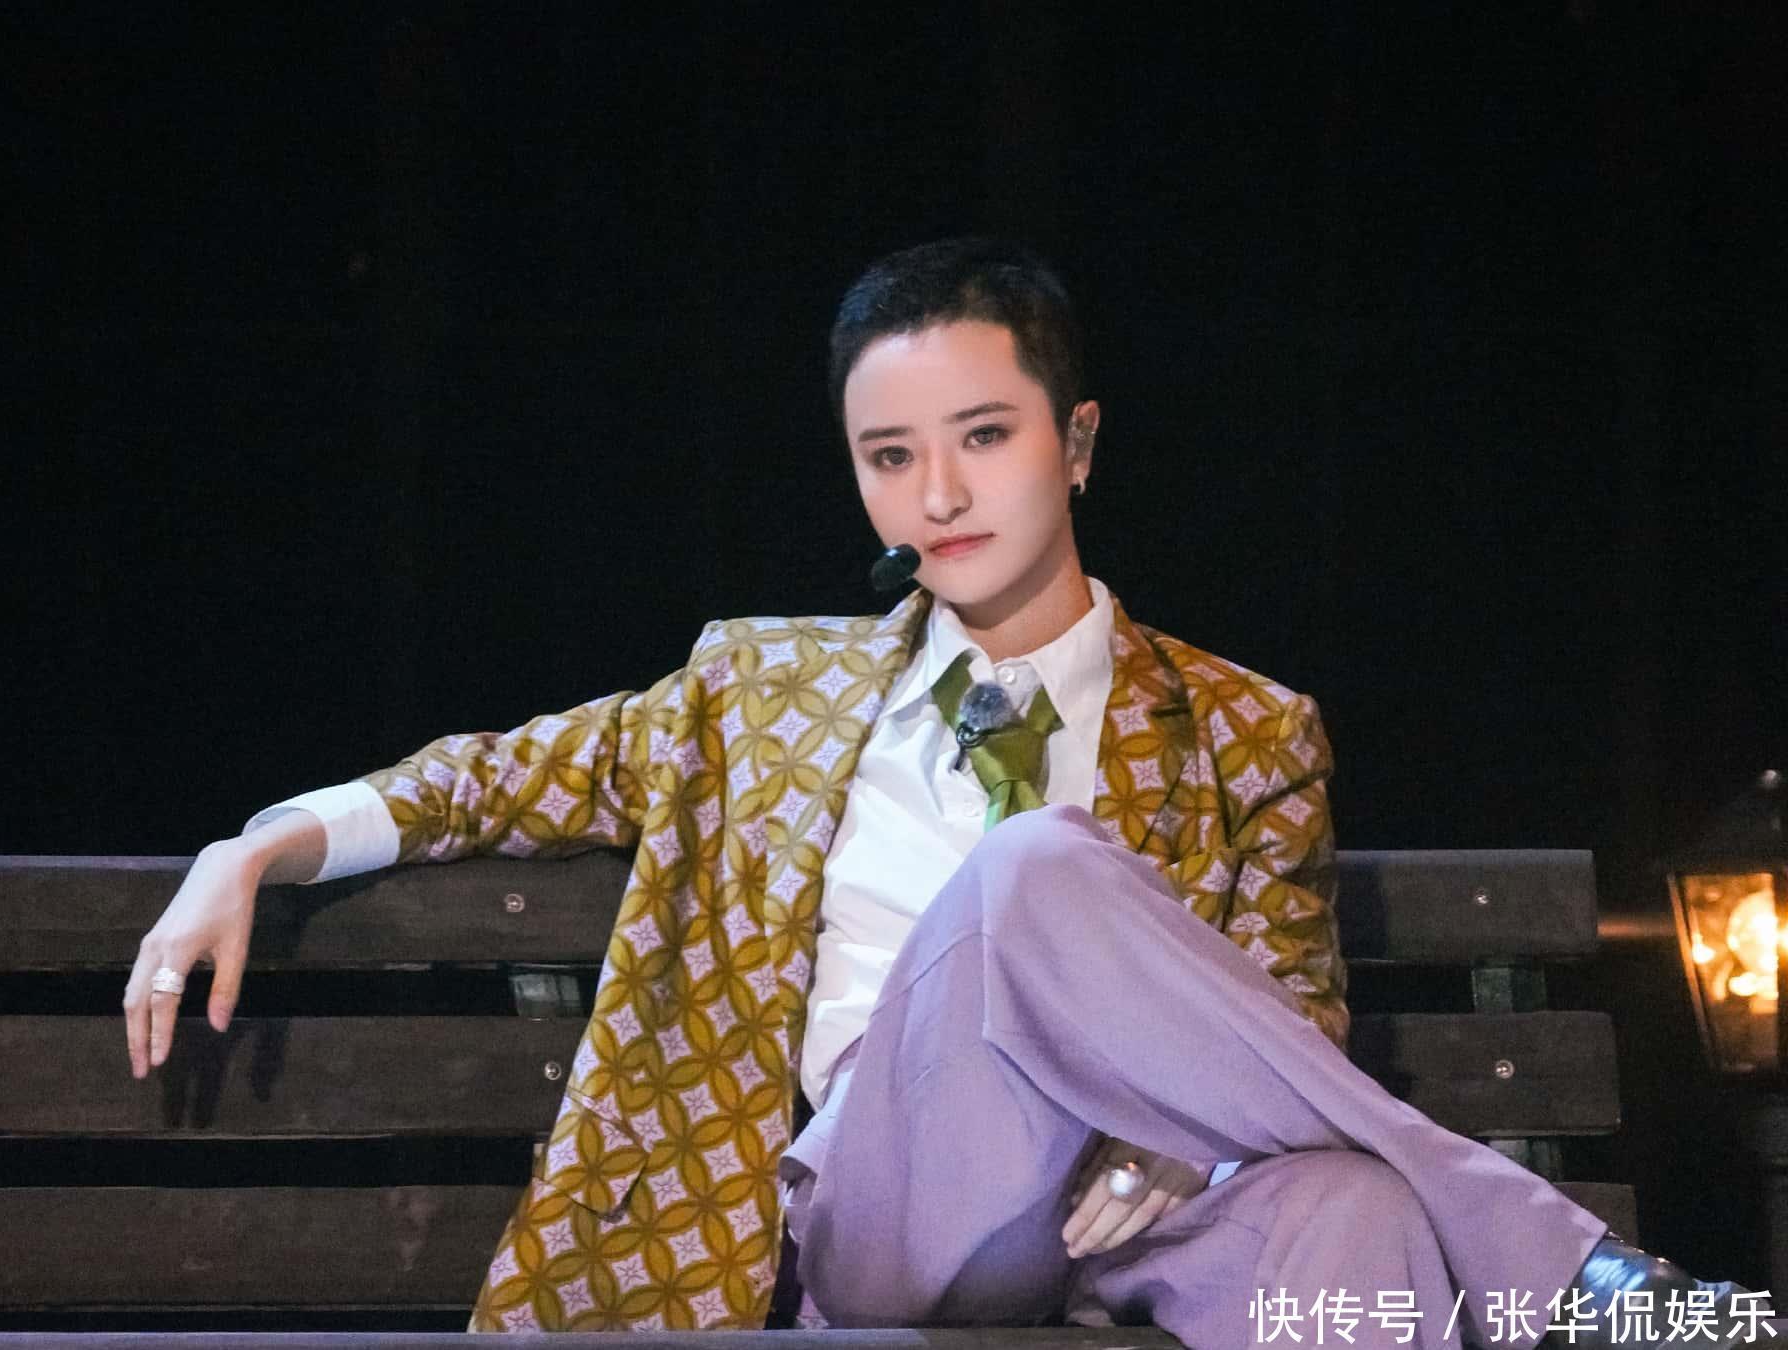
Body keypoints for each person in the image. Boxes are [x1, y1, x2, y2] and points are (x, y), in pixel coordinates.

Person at [124, 237, 1771, 1348]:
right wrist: (253, 845)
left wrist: (1174, 1139)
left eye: (982, 435)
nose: (937, 493)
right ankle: (1571, 1278)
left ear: (1078, 441)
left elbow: (1287, 1029)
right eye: (890, 454)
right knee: (1035, 867)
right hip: (888, 1214)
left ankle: (1504, 1268)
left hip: (1127, 1220)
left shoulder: (1243, 728)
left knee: (1351, 1218)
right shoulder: (760, 690)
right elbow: (493, 778)